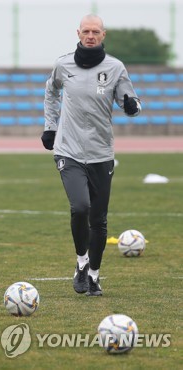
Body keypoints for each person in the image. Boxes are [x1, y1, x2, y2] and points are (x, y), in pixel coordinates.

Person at [41, 14, 141, 296]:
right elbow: (51, 93)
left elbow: (129, 100)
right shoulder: (63, 65)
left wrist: (133, 106)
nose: (90, 35)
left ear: (103, 35)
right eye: (86, 31)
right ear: (78, 33)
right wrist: (50, 127)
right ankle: (81, 262)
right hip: (68, 150)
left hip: (101, 152)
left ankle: (94, 276)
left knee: (98, 219)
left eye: (95, 31)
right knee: (80, 207)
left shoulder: (115, 67)